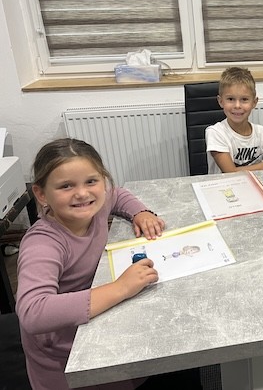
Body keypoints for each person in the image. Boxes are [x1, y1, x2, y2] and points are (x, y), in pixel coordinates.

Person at [15, 138, 166, 390]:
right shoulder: (43, 242)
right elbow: (33, 312)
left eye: (91, 181)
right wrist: (121, 288)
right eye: (66, 186)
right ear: (41, 194)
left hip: (98, 320)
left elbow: (117, 195)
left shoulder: (96, 204)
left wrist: (141, 212)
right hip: (65, 359)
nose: (82, 193)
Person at [206, 67, 263, 174]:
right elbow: (230, 172)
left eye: (244, 99)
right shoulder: (215, 132)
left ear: (254, 102)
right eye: (231, 99)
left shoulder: (262, 133)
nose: (237, 105)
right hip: (226, 184)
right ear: (220, 101)